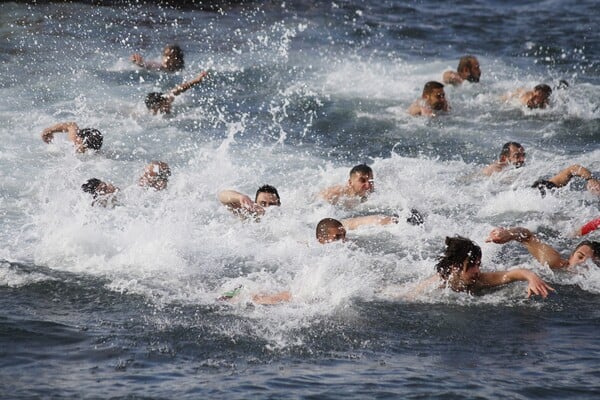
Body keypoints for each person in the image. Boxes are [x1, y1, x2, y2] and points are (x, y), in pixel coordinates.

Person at [415, 236, 554, 298]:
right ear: (455, 267)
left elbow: (513, 274)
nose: (477, 271)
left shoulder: (481, 279)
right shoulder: (438, 284)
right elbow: (410, 297)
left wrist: (532, 277)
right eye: (470, 266)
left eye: (478, 265)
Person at [486, 227, 600, 269]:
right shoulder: (553, 261)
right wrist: (509, 234)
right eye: (580, 257)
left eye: (589, 261)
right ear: (571, 256)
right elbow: (528, 237)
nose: (582, 263)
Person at [531, 164, 600, 197]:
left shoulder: (548, 188)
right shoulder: (542, 190)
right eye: (519, 155)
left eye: (524, 154)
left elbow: (573, 168)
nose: (522, 159)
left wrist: (591, 180)